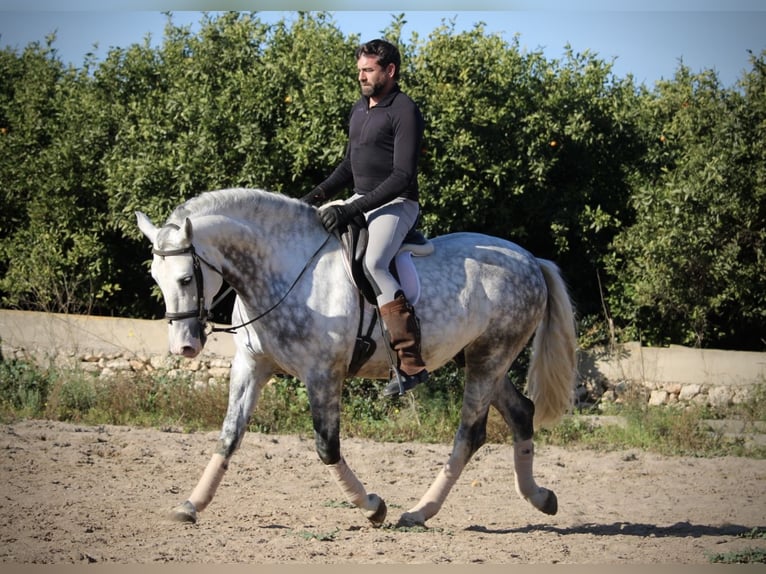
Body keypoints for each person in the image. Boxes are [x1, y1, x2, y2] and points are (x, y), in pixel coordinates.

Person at [302, 39, 428, 397]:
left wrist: (351, 209)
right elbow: (348, 165)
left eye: (368, 70)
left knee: (374, 262)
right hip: (362, 199)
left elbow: (402, 176)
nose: (361, 76)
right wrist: (315, 197)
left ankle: (410, 362)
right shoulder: (360, 108)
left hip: (398, 202)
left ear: (389, 71)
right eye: (359, 70)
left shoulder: (404, 110)